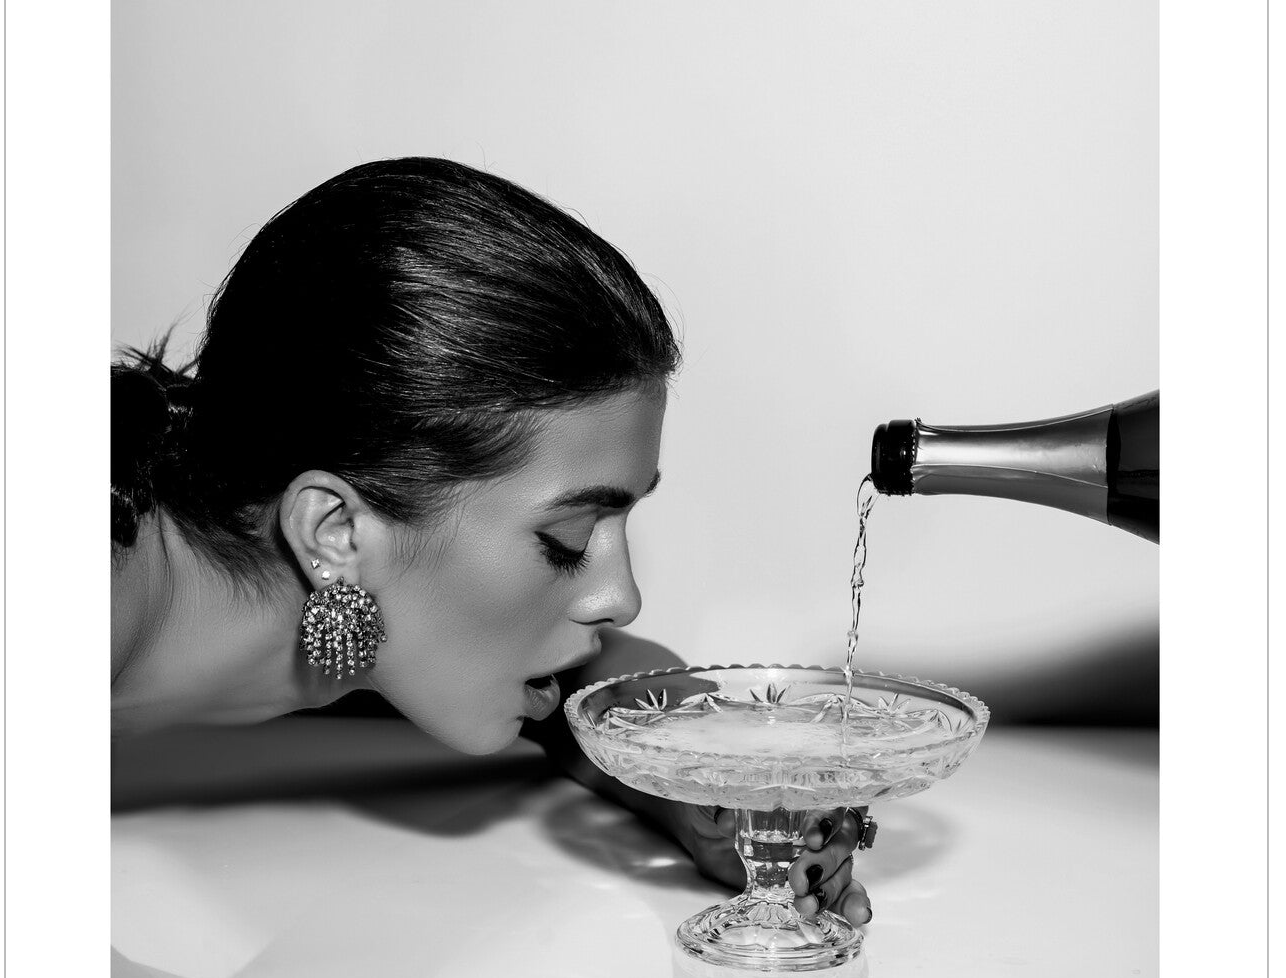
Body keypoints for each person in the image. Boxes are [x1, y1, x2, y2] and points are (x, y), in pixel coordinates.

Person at [111, 157, 871, 930]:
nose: (622, 596)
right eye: (566, 537)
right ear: (333, 531)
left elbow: (601, 689)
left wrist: (699, 787)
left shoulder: (361, 606)